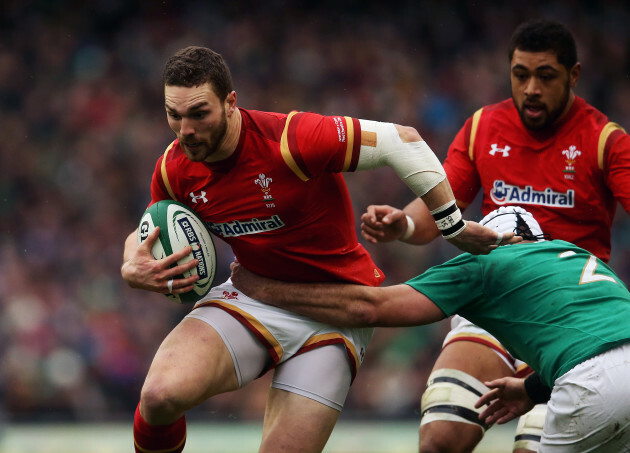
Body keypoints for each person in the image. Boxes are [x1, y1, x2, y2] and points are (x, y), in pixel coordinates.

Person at [120, 46, 515, 453]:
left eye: (199, 114)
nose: (185, 129)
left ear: (231, 103)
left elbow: (405, 142)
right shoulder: (174, 166)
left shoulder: (291, 140)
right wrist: (132, 261)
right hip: (251, 297)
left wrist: (450, 225)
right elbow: (151, 226)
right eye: (174, 115)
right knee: (159, 397)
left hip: (334, 314)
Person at [359, 19, 630, 453]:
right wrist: (403, 224)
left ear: (574, 75)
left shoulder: (605, 141)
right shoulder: (485, 126)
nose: (531, 89)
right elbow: (442, 205)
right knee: (440, 438)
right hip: (496, 302)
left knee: (530, 449)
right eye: (520, 75)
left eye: (546, 76)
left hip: (568, 317)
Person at [229, 206, 630, 453]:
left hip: (588, 385)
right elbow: (604, 343)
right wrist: (529, 389)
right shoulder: (577, 257)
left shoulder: (486, 262)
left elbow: (370, 307)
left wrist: (267, 290)